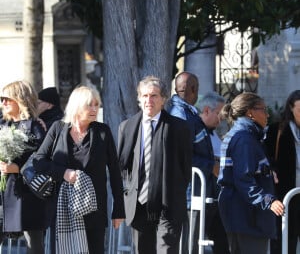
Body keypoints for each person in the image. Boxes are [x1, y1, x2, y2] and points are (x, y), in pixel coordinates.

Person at [33, 85, 125, 254]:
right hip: (62, 209)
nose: (94, 109)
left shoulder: (102, 132)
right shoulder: (58, 128)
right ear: (77, 105)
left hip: (93, 209)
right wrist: (64, 173)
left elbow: (114, 170)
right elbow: (39, 161)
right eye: (89, 104)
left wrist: (118, 209)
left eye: (97, 104)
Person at [118, 75, 192, 254]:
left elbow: (185, 168)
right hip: (139, 206)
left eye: (154, 96)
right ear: (139, 99)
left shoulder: (179, 128)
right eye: (144, 96)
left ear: (163, 99)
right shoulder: (127, 127)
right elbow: (122, 164)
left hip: (168, 206)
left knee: (165, 250)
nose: (148, 100)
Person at [168, 71, 229, 254]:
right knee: (189, 245)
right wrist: (211, 166)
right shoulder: (181, 114)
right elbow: (181, 155)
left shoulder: (187, 112)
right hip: (189, 194)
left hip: (198, 192)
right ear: (193, 89)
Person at [218, 92, 285, 254]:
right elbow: (243, 179)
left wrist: (268, 173)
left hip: (245, 215)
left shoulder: (247, 136)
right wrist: (268, 201)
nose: (267, 114)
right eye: (263, 109)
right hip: (246, 217)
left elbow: (249, 170)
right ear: (250, 112)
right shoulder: (244, 138)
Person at [0, 80, 47, 254]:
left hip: (28, 193)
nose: (3, 103)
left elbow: (42, 158)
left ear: (20, 99)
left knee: (33, 242)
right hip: (4, 193)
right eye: (1, 99)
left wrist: (17, 168)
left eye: (7, 99)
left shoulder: (34, 126)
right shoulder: (3, 125)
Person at [265, 90, 300, 254]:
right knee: (286, 238)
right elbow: (266, 157)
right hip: (286, 194)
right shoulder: (277, 130)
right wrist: (272, 170)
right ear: (291, 109)